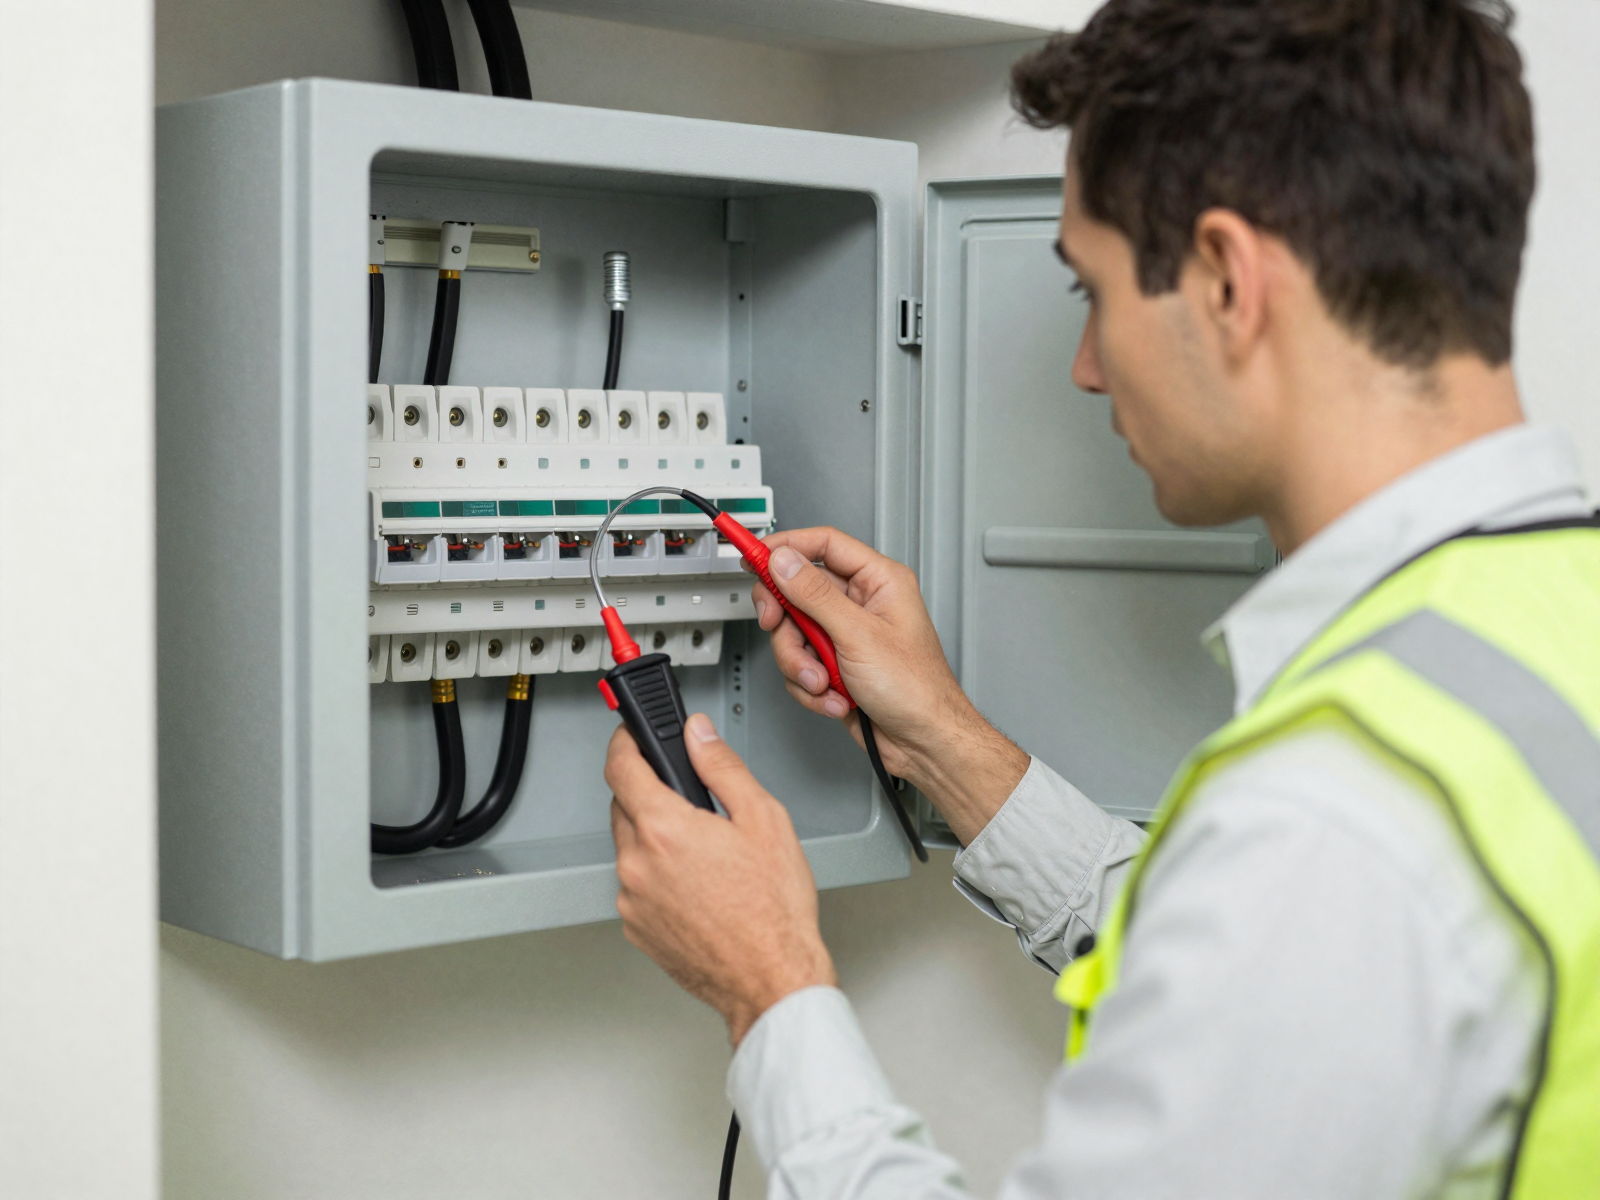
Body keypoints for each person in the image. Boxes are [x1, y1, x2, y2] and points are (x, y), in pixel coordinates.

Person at [604, 1, 1600, 1196]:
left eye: (1093, 292)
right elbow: (1288, 996)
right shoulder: (1545, 623)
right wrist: (946, 743)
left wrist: (769, 986)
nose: (1085, 367)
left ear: (1229, 281)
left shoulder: (1332, 813)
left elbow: (1311, 903)